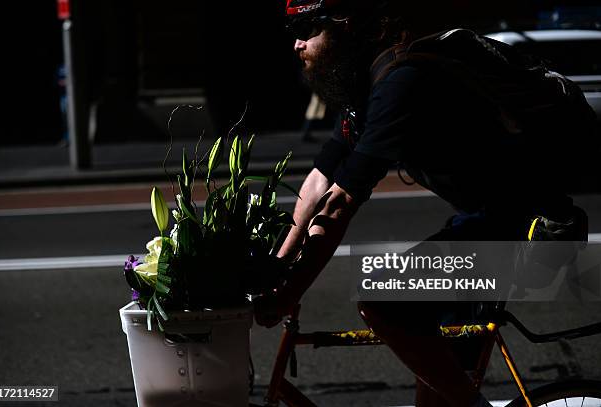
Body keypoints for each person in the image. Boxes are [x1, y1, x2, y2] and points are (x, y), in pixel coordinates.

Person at [254, 1, 595, 406]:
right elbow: (317, 183)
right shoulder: (364, 97)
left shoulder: (403, 84)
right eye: (293, 30)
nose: (297, 43)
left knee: (382, 301)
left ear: (348, 27)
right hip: (487, 225)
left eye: (309, 28)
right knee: (435, 389)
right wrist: (279, 264)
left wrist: (288, 293)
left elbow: (340, 203)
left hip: (525, 229)